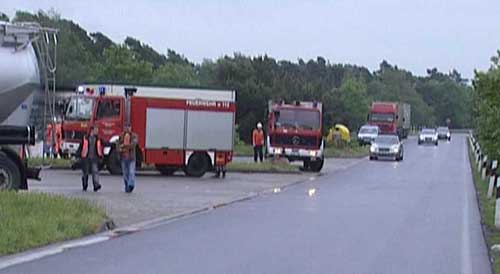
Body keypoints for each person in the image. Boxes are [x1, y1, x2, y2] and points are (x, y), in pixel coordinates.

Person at [77, 126, 103, 192]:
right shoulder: (85, 138)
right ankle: (85, 185)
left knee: (95, 172)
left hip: (94, 158)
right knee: (85, 173)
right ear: (92, 131)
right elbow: (80, 147)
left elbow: (103, 144)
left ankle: (96, 185)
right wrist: (77, 155)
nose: (97, 132)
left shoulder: (98, 139)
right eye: (96, 130)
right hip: (86, 158)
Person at [118, 125, 138, 193]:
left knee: (131, 172)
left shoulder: (134, 136)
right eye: (126, 127)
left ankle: (131, 185)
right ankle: (127, 185)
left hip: (131, 158)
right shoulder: (121, 136)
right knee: (125, 174)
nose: (127, 128)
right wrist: (119, 148)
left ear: (131, 128)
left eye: (129, 127)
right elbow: (117, 144)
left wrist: (123, 146)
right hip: (123, 158)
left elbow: (133, 144)